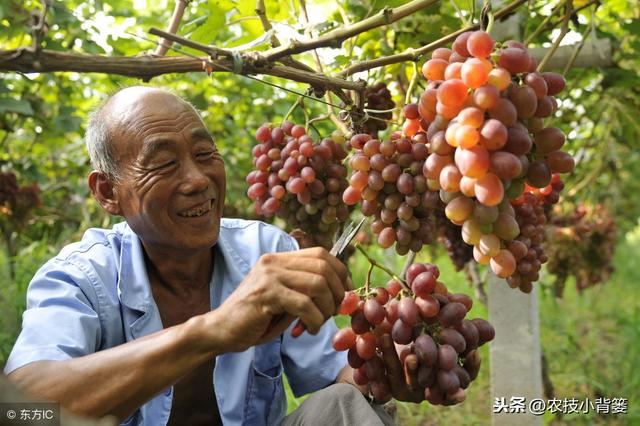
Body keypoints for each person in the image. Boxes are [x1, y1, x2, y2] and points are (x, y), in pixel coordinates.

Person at [4, 87, 422, 426]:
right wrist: (212, 331)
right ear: (108, 193)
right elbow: (21, 412)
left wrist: (389, 371)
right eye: (165, 164)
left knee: (343, 410)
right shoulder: (80, 277)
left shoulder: (268, 253)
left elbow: (338, 373)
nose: (197, 180)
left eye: (205, 155)